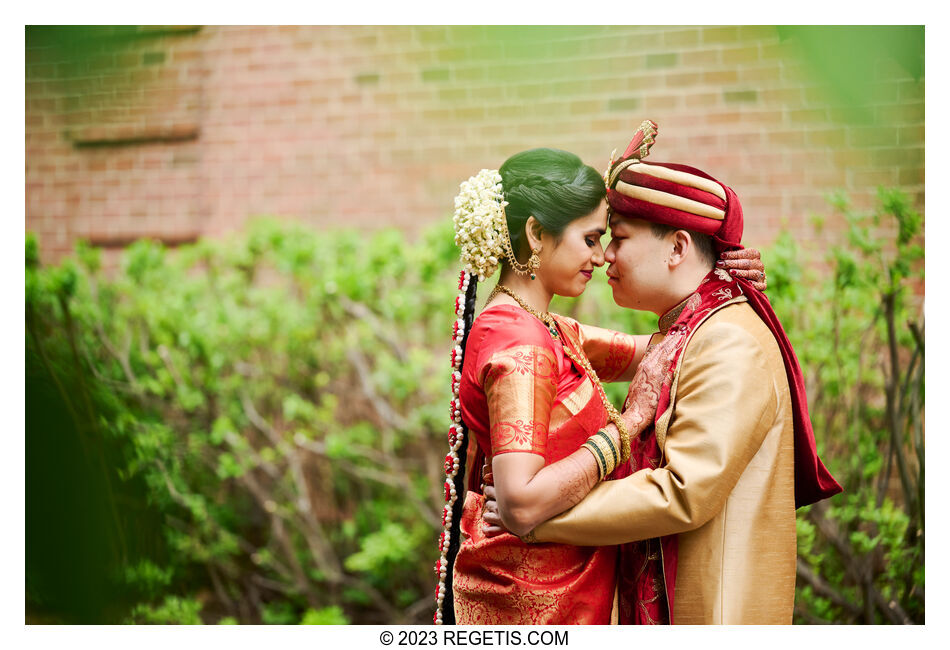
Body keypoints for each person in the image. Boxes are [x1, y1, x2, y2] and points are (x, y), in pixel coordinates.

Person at [483, 123, 843, 624]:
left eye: (617, 239)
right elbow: (590, 344)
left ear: (676, 249)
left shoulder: (728, 341)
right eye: (594, 238)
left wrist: (535, 519)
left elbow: (682, 491)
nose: (603, 255)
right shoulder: (685, 332)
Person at [433, 140, 766, 625]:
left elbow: (659, 349)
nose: (602, 256)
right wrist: (628, 425)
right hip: (534, 607)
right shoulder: (520, 343)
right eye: (590, 239)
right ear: (535, 233)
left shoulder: (548, 328)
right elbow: (521, 504)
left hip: (564, 587)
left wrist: (716, 276)